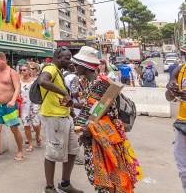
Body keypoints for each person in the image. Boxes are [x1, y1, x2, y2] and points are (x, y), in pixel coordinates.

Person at [74, 47, 140, 193]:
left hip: (102, 139)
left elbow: (104, 114)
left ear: (85, 66)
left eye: (77, 64)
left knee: (106, 176)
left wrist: (88, 130)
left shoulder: (100, 85)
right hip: (100, 137)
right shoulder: (95, 83)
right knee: (104, 176)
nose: (75, 67)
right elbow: (93, 110)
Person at [37, 47, 83, 193]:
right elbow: (42, 81)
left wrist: (71, 111)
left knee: (72, 150)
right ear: (57, 57)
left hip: (65, 117)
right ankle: (49, 187)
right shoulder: (50, 68)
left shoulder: (59, 72)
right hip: (54, 118)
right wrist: (65, 92)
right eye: (67, 58)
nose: (70, 61)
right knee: (52, 152)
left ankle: (65, 183)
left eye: (70, 57)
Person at [166, 64, 186, 191]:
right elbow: (168, 97)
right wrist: (171, 90)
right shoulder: (181, 69)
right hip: (181, 125)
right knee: (183, 171)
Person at [19, 63, 41, 152]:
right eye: (21, 70)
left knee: (36, 124)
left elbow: (39, 93)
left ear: (29, 71)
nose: (22, 72)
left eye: (24, 70)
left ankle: (37, 135)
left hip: (33, 105)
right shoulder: (18, 81)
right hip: (24, 106)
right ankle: (31, 144)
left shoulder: (34, 81)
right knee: (26, 125)